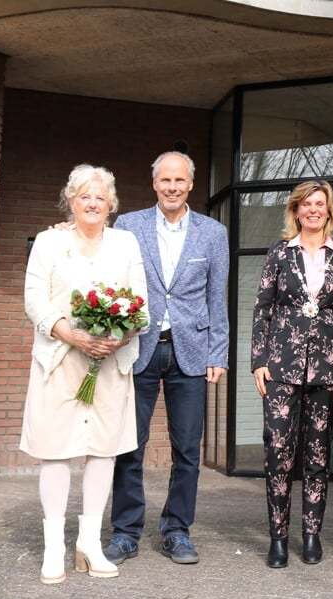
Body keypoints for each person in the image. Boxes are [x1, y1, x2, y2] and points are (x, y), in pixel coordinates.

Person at [103, 151, 230, 566]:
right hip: (137, 348)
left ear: (191, 184)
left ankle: (177, 529)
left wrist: (218, 353)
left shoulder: (212, 232)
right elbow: (108, 272)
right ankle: (125, 532)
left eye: (180, 180)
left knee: (188, 450)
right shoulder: (128, 225)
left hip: (189, 351)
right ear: (154, 183)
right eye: (165, 180)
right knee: (129, 447)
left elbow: (218, 298)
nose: (172, 187)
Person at [22, 164, 147, 583]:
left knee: (102, 451)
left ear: (111, 204)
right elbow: (34, 298)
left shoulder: (126, 243)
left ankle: (90, 543)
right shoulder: (48, 241)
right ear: (70, 201)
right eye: (83, 196)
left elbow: (140, 304)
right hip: (61, 358)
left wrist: (119, 335)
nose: (92, 203)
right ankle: (54, 546)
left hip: (110, 362)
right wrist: (73, 335)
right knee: (56, 450)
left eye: (100, 197)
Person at [251, 180, 333, 568]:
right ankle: (278, 537)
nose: (313, 210)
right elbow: (262, 307)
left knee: (317, 454)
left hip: (328, 369)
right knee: (278, 452)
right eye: (306, 204)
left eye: (320, 204)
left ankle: (311, 534)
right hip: (281, 365)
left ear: (330, 211)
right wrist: (258, 360)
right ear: (296, 211)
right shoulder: (279, 253)